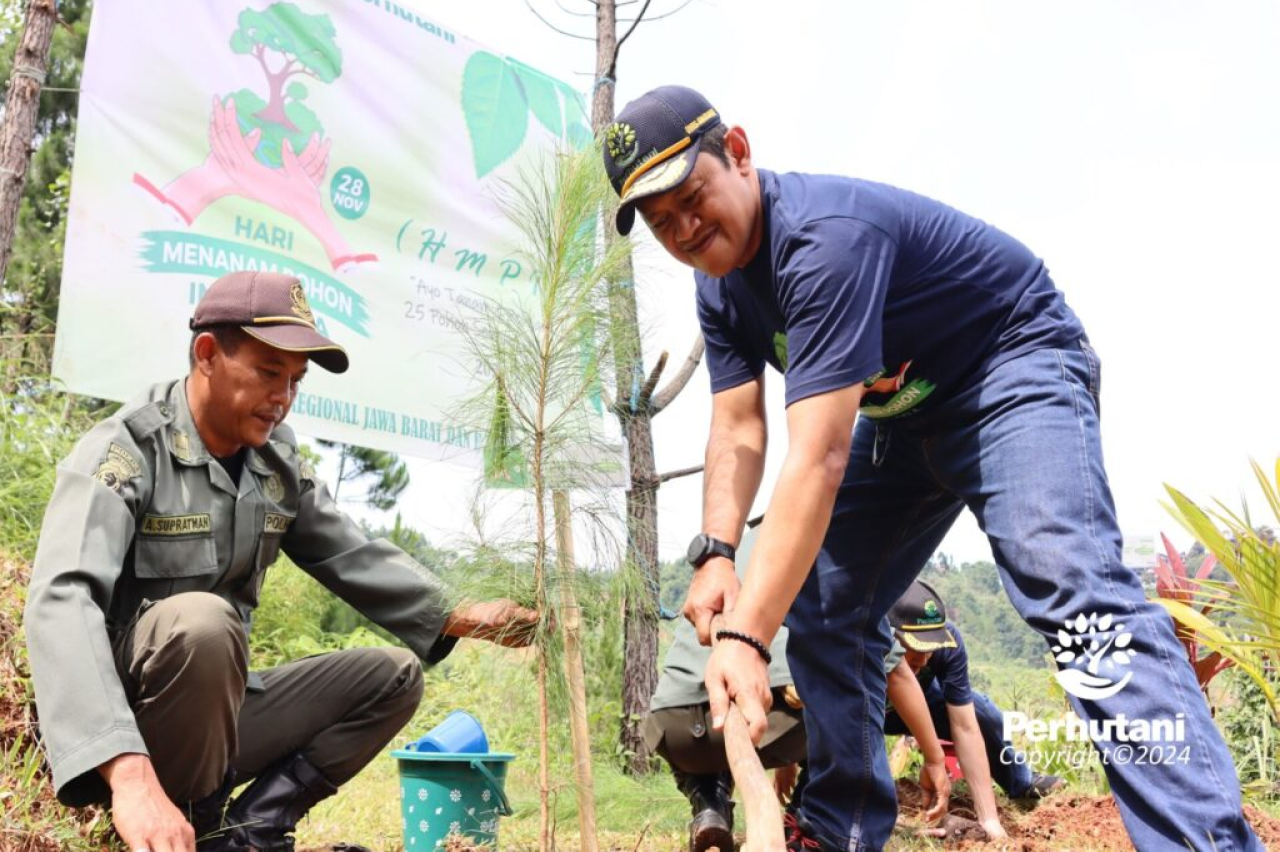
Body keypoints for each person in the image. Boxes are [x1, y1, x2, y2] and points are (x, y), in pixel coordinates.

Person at [601, 86, 1261, 851]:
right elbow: (739, 426)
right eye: (660, 222)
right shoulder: (718, 285)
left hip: (1010, 366)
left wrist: (746, 638)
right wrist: (716, 553)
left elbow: (816, 457)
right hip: (904, 415)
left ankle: (1201, 842)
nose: (684, 228)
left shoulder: (824, 239)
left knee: (1076, 598)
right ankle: (838, 831)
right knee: (823, 608)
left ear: (739, 154)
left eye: (691, 197)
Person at [24, 271, 539, 852]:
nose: (283, 397)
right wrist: (128, 773)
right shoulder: (125, 452)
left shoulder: (276, 463)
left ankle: (245, 833)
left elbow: (349, 550)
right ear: (208, 354)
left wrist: (462, 614)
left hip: (222, 716)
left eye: (296, 380)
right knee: (203, 622)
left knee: (392, 677)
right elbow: (61, 601)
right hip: (126, 729)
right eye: (270, 373)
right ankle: (172, 810)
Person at [645, 524, 953, 852]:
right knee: (858, 695)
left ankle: (710, 802)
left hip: (674, 731)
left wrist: (787, 759)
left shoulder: (728, 555)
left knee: (725, 697)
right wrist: (934, 758)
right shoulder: (831, 551)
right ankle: (810, 823)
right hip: (764, 720)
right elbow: (896, 674)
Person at [884, 580, 1063, 837]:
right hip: (866, 709)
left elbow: (965, 727)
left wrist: (989, 819)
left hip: (921, 703)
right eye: (916, 649)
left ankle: (1019, 782)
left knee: (982, 714)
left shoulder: (949, 644)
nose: (923, 660)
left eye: (930, 650)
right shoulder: (867, 641)